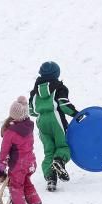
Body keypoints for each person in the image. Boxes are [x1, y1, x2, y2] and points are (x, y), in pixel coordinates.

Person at [28, 62, 77, 192]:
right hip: (56, 120)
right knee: (63, 146)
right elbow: (64, 105)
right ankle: (59, 162)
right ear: (57, 74)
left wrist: (42, 109)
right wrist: (76, 114)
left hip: (42, 122)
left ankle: (50, 178)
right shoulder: (59, 87)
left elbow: (31, 111)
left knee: (49, 150)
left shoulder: (34, 92)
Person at [0, 96, 43, 204]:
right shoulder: (28, 127)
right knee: (27, 183)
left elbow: (4, 153)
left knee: (16, 186)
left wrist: (0, 169)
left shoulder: (10, 132)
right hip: (30, 162)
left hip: (18, 165)